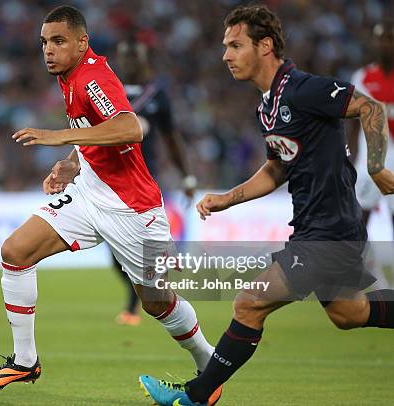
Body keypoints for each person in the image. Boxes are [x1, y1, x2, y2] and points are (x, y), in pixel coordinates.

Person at [139, 5, 394, 406]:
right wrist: (228, 197)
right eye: (225, 46)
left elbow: (370, 107)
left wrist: (376, 166)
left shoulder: (303, 88)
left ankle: (197, 395)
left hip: (331, 231)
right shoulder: (267, 105)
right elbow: (277, 168)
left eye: (235, 45)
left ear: (266, 45)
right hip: (314, 228)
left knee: (249, 301)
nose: (226, 55)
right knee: (350, 314)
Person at [0, 6, 219, 401]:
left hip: (132, 210)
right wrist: (71, 163)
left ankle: (208, 362)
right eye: (44, 43)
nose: (48, 51)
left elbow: (129, 127)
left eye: (58, 41)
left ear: (82, 42)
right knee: (15, 251)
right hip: (89, 193)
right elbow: (92, 132)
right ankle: (24, 361)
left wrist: (57, 137)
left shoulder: (92, 77)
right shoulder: (70, 77)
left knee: (156, 303)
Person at [113, 37, 198, 326]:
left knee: (140, 244)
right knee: (115, 252)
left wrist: (186, 174)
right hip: (109, 180)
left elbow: (171, 138)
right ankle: (139, 294)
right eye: (125, 56)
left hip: (143, 179)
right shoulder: (108, 91)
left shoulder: (156, 95)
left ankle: (137, 303)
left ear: (144, 60)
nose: (129, 62)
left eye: (134, 56)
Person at [350, 21, 394, 232]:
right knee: (361, 217)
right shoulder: (362, 78)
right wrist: (348, 156)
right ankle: (354, 263)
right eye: (382, 39)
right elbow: (351, 123)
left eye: (390, 39)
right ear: (375, 43)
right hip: (370, 158)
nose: (386, 44)